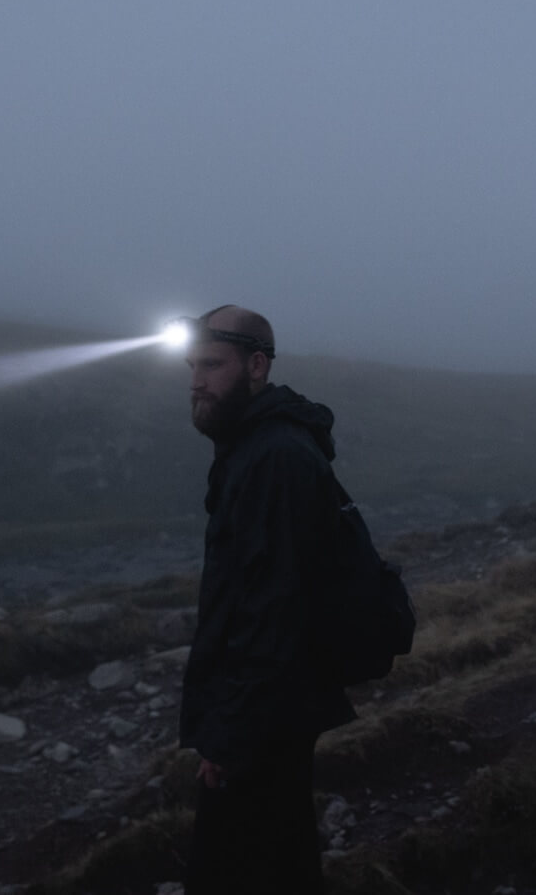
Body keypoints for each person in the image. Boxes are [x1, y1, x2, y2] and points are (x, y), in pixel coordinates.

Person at [178, 304, 355, 894]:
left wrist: (230, 738)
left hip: (266, 716)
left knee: (238, 869)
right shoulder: (254, 445)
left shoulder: (276, 456)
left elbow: (274, 609)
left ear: (256, 366)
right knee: (278, 860)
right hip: (269, 710)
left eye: (211, 364)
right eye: (191, 366)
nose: (196, 380)